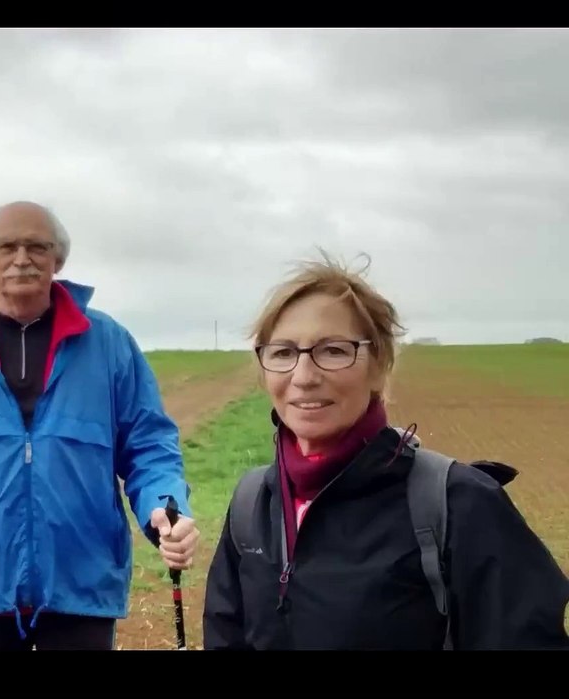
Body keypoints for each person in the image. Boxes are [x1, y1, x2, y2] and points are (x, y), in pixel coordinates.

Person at [202, 252, 569, 650]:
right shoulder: (252, 503)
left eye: (334, 350)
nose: (304, 377)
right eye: (283, 352)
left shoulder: (458, 505)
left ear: (379, 365)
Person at [0, 200, 200, 650]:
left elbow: (148, 445)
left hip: (81, 581)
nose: (22, 258)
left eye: (37, 246)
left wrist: (165, 505)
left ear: (59, 259)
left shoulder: (109, 345)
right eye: (7, 246)